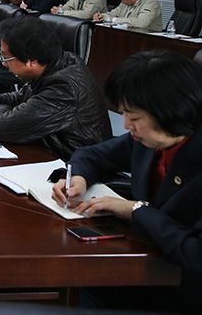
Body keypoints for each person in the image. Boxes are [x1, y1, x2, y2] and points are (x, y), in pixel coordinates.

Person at [52, 50, 202, 313]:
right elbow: (93, 155)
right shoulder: (150, 139)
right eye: (123, 114)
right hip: (143, 267)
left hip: (184, 290)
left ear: (169, 112)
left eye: (133, 118)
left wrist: (133, 209)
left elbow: (196, 253)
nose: (125, 126)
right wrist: (79, 178)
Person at [0, 16, 111, 160]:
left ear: (31, 61)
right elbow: (21, 96)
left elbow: (3, 128)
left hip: (71, 165)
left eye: (6, 58)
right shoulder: (56, 63)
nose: (4, 64)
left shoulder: (64, 87)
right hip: (46, 148)